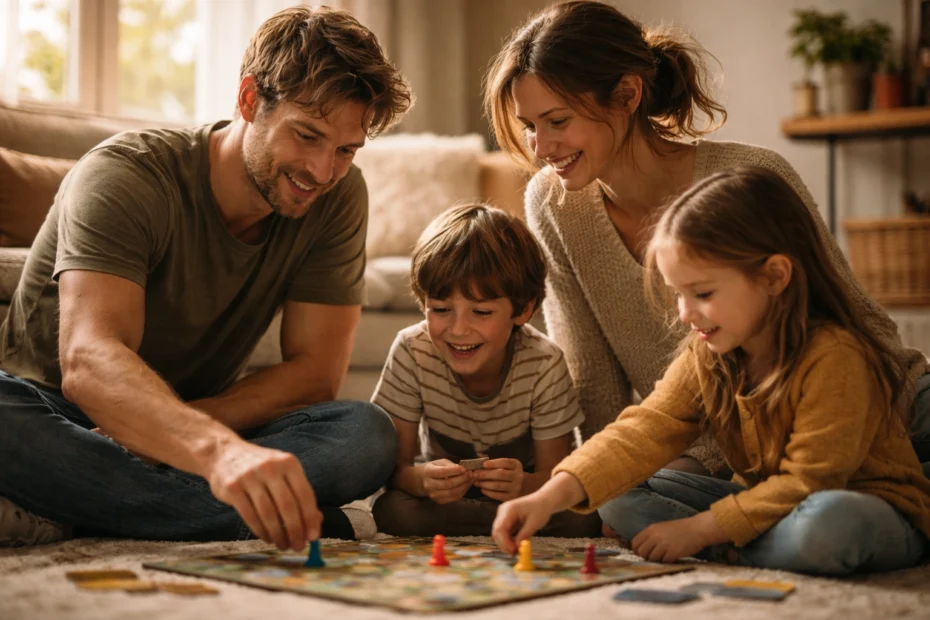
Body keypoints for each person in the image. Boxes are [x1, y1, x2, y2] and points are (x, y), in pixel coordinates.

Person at [0, 6, 413, 548]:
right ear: (248, 100)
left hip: (193, 423)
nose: (321, 171)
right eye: (307, 136)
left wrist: (185, 433)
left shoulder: (338, 196)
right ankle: (234, 515)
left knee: (365, 435)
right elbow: (89, 363)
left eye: (345, 150)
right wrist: (219, 454)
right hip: (62, 416)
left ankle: (82, 506)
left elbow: (314, 375)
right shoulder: (125, 174)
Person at [483, 0, 930, 476]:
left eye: (558, 121)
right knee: (635, 503)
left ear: (628, 94)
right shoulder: (552, 205)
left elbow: (865, 332)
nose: (541, 148)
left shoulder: (752, 176)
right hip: (733, 457)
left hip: (878, 411)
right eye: (530, 127)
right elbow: (593, 381)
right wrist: (596, 480)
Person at [491, 167, 930, 576]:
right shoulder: (711, 353)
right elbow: (645, 430)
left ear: (775, 276)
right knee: (619, 496)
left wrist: (698, 531)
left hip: (866, 507)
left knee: (829, 525)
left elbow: (809, 482)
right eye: (678, 295)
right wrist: (546, 498)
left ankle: (731, 549)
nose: (684, 314)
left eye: (701, 293)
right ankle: (751, 546)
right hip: (765, 507)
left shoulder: (836, 355)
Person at [370, 204, 600, 537]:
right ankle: (499, 525)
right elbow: (396, 471)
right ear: (423, 304)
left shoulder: (544, 362)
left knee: (585, 515)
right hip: (448, 503)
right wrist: (423, 481)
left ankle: (500, 520)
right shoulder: (412, 350)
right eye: (441, 309)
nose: (458, 330)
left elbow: (554, 476)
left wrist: (522, 485)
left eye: (481, 312)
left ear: (522, 310)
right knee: (391, 510)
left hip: (525, 499)